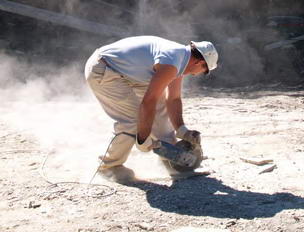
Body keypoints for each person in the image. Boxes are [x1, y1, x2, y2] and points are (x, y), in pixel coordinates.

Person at [85, 36, 218, 179]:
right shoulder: (171, 62)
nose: (196, 74)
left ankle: (172, 158)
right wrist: (143, 138)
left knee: (160, 106)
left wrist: (182, 130)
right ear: (199, 62)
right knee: (133, 120)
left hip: (124, 72)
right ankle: (109, 167)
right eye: (203, 70)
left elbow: (173, 99)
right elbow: (148, 102)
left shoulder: (180, 58)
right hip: (104, 68)